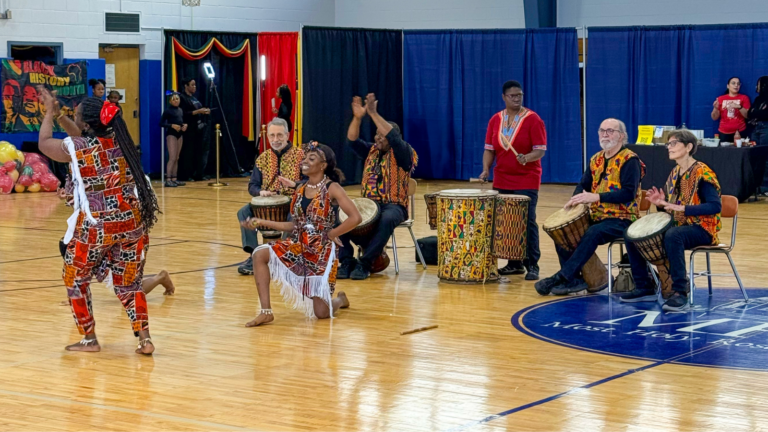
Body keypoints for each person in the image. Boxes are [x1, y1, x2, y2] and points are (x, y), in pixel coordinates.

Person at [36, 87, 161, 354]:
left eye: (77, 115)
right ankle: (145, 339)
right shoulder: (121, 141)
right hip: (132, 223)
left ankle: (89, 338)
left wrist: (48, 114)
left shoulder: (80, 148)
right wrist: (60, 116)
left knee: (74, 278)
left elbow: (45, 143)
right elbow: (80, 136)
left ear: (86, 124)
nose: (75, 118)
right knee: (130, 283)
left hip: (97, 227)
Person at [241, 143, 360, 326]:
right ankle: (266, 312)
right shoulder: (300, 189)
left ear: (323, 165)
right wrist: (263, 222)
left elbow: (355, 217)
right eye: (305, 158)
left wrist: (331, 234)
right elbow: (295, 225)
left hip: (321, 252)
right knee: (259, 254)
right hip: (299, 246)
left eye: (311, 159)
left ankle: (340, 300)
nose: (304, 161)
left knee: (321, 313)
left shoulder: (332, 188)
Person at [535, 118, 645, 295]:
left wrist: (596, 197)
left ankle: (562, 277)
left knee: (593, 232)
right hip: (597, 216)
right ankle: (574, 280)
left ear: (621, 136)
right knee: (562, 231)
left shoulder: (630, 160)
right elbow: (583, 185)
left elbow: (628, 193)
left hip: (623, 218)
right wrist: (575, 200)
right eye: (602, 130)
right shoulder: (596, 159)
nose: (605, 134)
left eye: (610, 131)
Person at [620, 129, 722, 312]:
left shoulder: (702, 172)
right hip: (680, 225)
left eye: (674, 143)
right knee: (631, 235)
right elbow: (670, 208)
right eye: (668, 144)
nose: (669, 147)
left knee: (674, 235)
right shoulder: (675, 172)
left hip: (703, 228)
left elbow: (715, 206)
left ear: (688, 147)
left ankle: (680, 292)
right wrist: (660, 204)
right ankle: (644, 286)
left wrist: (683, 208)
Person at [338, 93, 418, 280]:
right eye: (377, 134)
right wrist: (357, 118)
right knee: (338, 214)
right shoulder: (371, 150)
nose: (378, 138)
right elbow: (351, 141)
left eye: (383, 135)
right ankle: (347, 260)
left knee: (386, 218)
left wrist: (373, 113)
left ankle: (365, 264)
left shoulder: (404, 152)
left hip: (394, 206)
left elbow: (394, 138)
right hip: (369, 204)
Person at [478, 80, 546, 280]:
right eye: (513, 96)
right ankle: (514, 263)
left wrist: (527, 158)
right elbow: (489, 149)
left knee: (527, 221)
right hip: (502, 178)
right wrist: (485, 170)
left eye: (520, 95)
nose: (517, 99)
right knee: (507, 222)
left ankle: (532, 264)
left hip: (527, 179)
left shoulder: (533, 119)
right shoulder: (495, 120)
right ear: (504, 97)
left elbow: (540, 150)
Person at [237, 117, 304, 275]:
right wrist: (261, 192)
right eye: (272, 135)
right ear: (267, 137)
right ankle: (254, 255)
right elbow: (252, 186)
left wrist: (294, 184)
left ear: (287, 135)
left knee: (294, 215)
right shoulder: (263, 158)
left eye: (279, 135)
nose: (275, 139)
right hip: (267, 202)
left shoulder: (301, 156)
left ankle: (284, 255)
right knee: (243, 212)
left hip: (293, 201)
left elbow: (311, 182)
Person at [178, 77, 212, 182]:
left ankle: (198, 173)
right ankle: (186, 175)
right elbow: (183, 113)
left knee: (198, 152)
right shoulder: (182, 98)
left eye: (195, 85)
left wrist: (205, 111)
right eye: (192, 85)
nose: (194, 87)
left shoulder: (194, 98)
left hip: (198, 128)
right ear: (186, 86)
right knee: (188, 152)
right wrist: (198, 111)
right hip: (188, 129)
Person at [160, 92, 187, 187]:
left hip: (179, 134)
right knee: (172, 158)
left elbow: (180, 121)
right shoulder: (168, 111)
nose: (176, 101)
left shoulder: (180, 110)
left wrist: (184, 125)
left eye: (177, 99)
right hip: (171, 134)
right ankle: (168, 179)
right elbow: (161, 123)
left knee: (177, 157)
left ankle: (174, 178)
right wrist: (171, 125)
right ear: (170, 101)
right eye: (174, 99)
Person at [712, 77, 750, 143]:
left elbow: (748, 116)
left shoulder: (744, 98)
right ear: (728, 86)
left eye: (738, 84)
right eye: (733, 83)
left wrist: (739, 107)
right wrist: (715, 108)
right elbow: (714, 118)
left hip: (740, 131)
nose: (736, 85)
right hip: (723, 132)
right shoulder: (720, 99)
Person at [747, 76, 768, 195]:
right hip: (756, 128)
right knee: (755, 157)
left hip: (766, 128)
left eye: (759, 84)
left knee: (766, 158)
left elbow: (764, 114)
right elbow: (750, 113)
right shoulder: (758, 99)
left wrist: (756, 113)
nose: (756, 87)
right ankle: (756, 186)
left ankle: (765, 186)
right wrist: (758, 113)